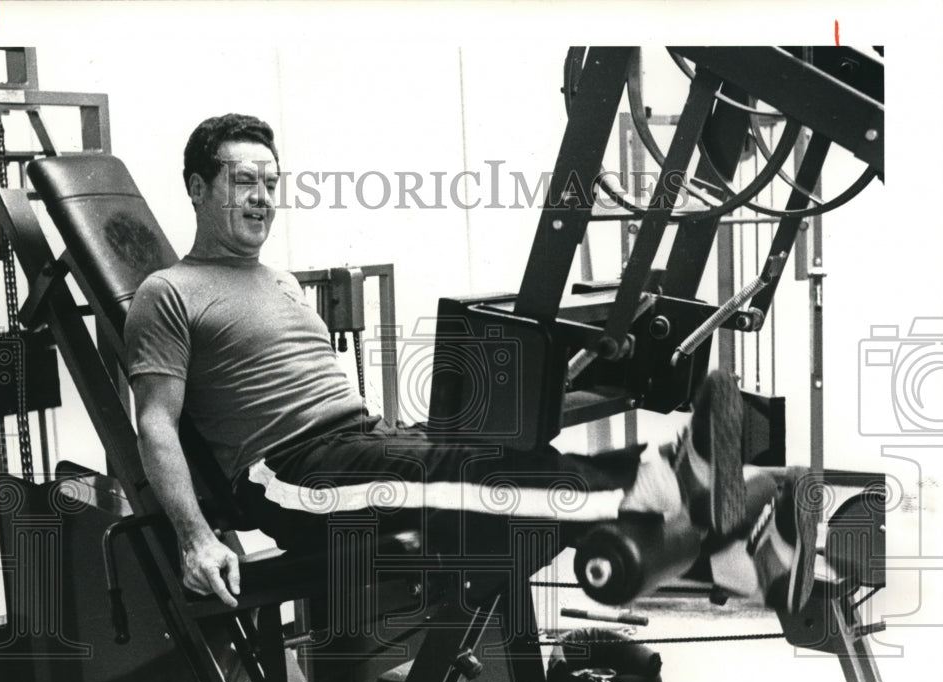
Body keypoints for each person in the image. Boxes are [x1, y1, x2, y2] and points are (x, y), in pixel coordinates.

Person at [124, 113, 815, 619]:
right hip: (293, 477)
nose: (261, 198)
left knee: (509, 454)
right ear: (196, 186)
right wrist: (197, 538)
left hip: (365, 439)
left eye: (270, 183)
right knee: (476, 480)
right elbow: (156, 423)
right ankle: (672, 493)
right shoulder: (169, 292)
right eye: (244, 181)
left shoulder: (278, 280)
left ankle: (711, 533)